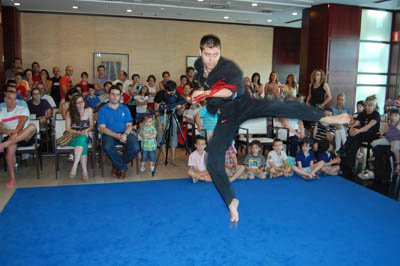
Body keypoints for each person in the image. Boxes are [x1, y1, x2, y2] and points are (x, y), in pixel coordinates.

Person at [191, 34, 350, 223]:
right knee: (213, 160)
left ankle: (325, 117)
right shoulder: (198, 66)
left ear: (220, 53)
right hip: (227, 117)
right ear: (200, 53)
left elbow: (228, 91)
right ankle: (231, 201)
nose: (211, 60)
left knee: (278, 106)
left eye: (215, 55)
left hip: (244, 105)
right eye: (207, 55)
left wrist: (206, 93)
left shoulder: (229, 69)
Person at [98, 85, 140, 178]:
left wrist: (125, 134)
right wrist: (117, 135)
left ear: (120, 96)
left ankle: (117, 164)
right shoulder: (102, 110)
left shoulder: (125, 109)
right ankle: (122, 167)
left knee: (135, 147)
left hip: (124, 133)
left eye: (117, 94)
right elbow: (102, 128)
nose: (115, 97)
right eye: (112, 94)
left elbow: (129, 125)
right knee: (107, 146)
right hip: (109, 134)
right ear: (109, 95)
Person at [0, 90, 37, 188]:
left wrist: (15, 132)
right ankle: (12, 178)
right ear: (5, 100)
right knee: (10, 148)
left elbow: (22, 123)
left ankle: (5, 144)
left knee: (32, 126)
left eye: (14, 99)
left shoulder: (22, 108)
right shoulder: (2, 113)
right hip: (10, 136)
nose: (12, 101)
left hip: (24, 135)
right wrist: (7, 131)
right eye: (10, 99)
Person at [339, 95, 380, 178]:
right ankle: (350, 165)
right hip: (360, 134)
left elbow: (368, 126)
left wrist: (357, 130)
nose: (367, 107)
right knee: (355, 141)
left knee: (356, 133)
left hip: (371, 134)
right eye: (366, 105)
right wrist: (351, 129)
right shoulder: (362, 114)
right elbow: (356, 123)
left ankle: (345, 149)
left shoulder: (376, 114)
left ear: (373, 106)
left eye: (369, 105)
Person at [154, 80, 186, 166]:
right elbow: (156, 109)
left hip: (172, 115)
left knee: (173, 135)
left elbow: (182, 106)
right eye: (167, 91)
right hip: (161, 116)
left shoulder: (177, 94)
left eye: (170, 91)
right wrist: (159, 124)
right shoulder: (160, 94)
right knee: (161, 135)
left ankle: (173, 158)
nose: (169, 92)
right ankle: (164, 157)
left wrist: (181, 108)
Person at [65, 95, 94, 181]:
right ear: (74, 104)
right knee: (82, 143)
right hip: (72, 136)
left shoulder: (89, 110)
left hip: (85, 135)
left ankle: (75, 166)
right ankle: (84, 171)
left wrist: (86, 130)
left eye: (82, 101)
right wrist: (78, 132)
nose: (81, 104)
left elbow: (92, 125)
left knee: (82, 139)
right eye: (78, 102)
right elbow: (68, 128)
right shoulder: (70, 112)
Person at [371, 108, 400, 172]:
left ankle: (398, 163)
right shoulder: (390, 122)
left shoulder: (399, 123)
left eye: (395, 115)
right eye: (391, 115)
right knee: (374, 143)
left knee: (395, 148)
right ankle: (375, 155)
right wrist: (382, 132)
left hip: (396, 140)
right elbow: (386, 128)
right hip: (388, 139)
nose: (393, 117)